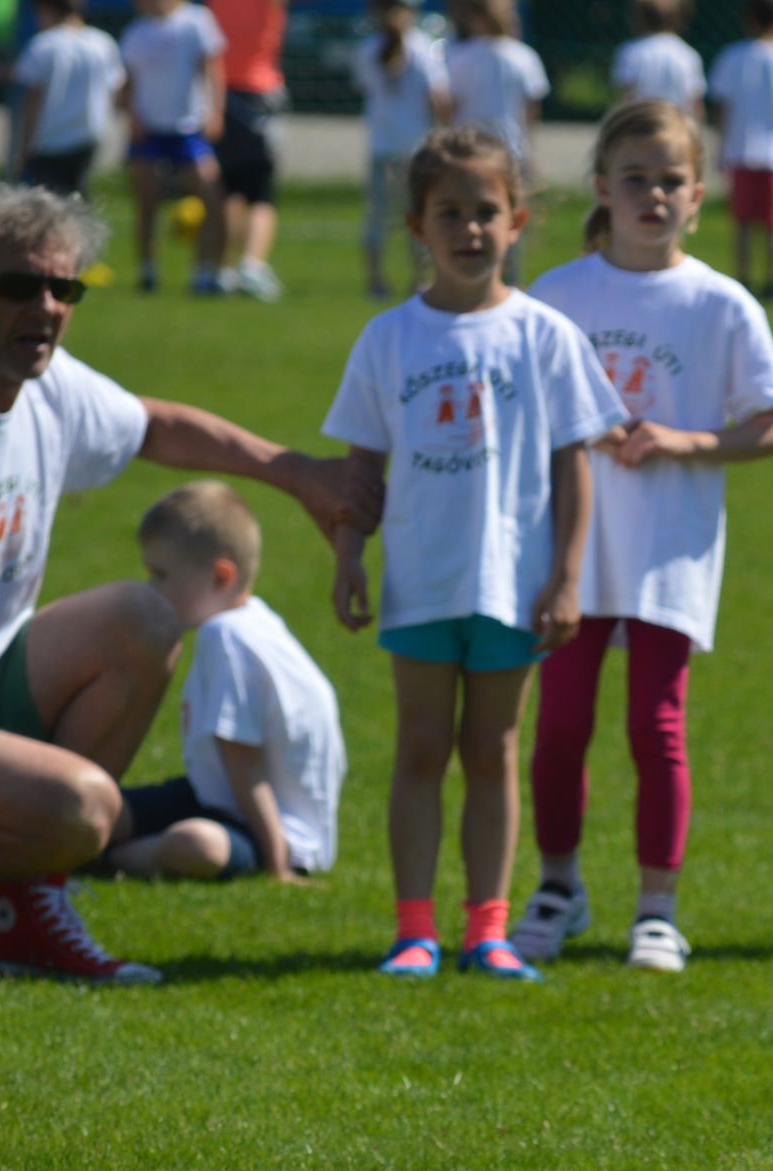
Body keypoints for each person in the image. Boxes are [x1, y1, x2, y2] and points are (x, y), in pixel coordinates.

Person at [0, 184, 380, 989]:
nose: (48, 307)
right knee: (84, 811)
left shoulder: (42, 382)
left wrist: (298, 473)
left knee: (145, 620)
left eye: (67, 288)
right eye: (20, 286)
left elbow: (154, 424)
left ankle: (23, 918)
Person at [324, 126, 625, 981]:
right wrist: (349, 556)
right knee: (420, 747)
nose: (469, 230)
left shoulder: (544, 335)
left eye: (486, 212)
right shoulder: (389, 338)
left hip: (514, 586)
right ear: (417, 226)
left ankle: (487, 929)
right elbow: (360, 465)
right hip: (420, 582)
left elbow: (576, 462)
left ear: (518, 219)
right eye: (448, 213)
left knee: (493, 752)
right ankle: (413, 931)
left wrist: (568, 578)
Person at [523, 101, 773, 972]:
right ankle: (557, 889)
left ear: (699, 195)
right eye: (634, 180)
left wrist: (686, 441)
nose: (652, 195)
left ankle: (657, 908)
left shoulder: (721, 303)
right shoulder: (556, 295)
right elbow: (520, 405)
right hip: (568, 552)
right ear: (601, 189)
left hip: (667, 552)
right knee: (560, 726)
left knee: (657, 726)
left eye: (669, 181)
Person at [103, 482, 345, 881]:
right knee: (101, 809)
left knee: (198, 845)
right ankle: (86, 846)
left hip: (266, 826)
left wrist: (279, 865)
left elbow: (245, 766)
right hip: (214, 796)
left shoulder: (226, 637)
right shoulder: (254, 619)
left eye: (161, 575)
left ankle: (110, 861)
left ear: (221, 576)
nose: (151, 588)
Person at [119, 0, 229, 294]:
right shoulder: (137, 31)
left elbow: (212, 66)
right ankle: (148, 270)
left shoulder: (195, 20)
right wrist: (132, 117)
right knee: (147, 200)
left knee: (210, 194)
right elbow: (128, 80)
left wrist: (216, 110)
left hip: (188, 127)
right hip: (149, 129)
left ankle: (204, 272)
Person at [707, 0, 773, 300]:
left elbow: (723, 109)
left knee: (742, 221)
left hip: (741, 149)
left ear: (749, 19)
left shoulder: (732, 56)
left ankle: (743, 278)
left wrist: (720, 147)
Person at [354, 0, 451, 300]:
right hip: (416, 146)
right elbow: (439, 97)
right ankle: (419, 280)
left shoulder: (367, 48)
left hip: (382, 145)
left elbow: (365, 89)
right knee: (420, 214)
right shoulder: (425, 48)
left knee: (378, 216)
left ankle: (375, 281)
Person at [444, 0, 544, 285]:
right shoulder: (523, 56)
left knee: (465, 218)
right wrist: (530, 149)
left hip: (467, 151)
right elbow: (531, 110)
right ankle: (508, 280)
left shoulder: (459, 55)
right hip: (509, 150)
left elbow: (449, 105)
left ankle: (466, 279)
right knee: (506, 218)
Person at [207, 0, 287, 300]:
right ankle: (252, 265)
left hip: (220, 91)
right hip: (258, 92)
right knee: (261, 192)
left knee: (228, 187)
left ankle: (221, 269)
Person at [12, 0, 123, 198]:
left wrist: (24, 146)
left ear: (46, 9)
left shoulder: (42, 45)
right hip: (89, 133)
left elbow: (32, 100)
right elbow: (114, 88)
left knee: (46, 200)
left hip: (49, 137)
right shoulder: (102, 42)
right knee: (77, 194)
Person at [611, 0, 704, 119]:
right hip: (676, 128)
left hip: (639, 124)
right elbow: (694, 104)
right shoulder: (688, 55)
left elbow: (625, 97)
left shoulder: (630, 52)